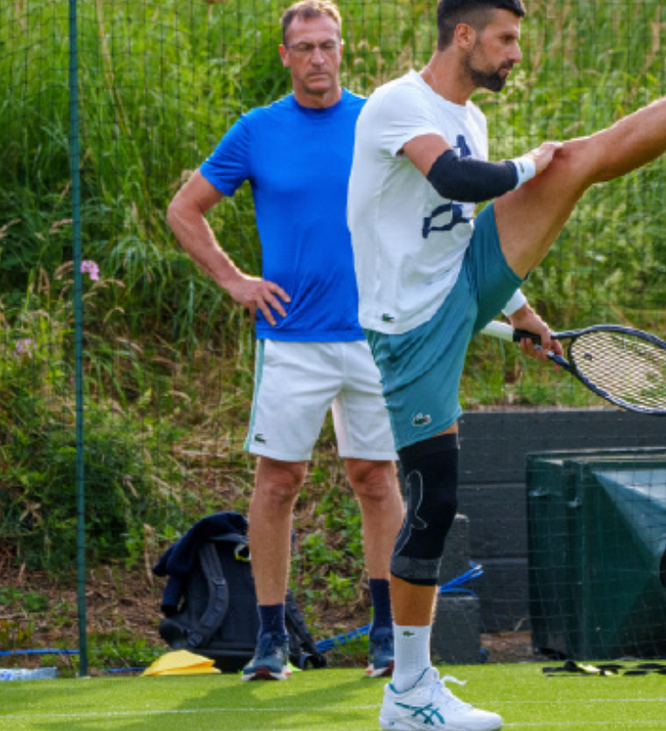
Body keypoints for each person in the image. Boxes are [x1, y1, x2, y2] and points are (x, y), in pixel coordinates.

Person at [347, 0, 666, 726]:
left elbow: (452, 237)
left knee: (576, 160)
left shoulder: (472, 117)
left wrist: (518, 310)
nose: (517, 52)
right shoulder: (398, 104)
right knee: (433, 501)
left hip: (462, 285)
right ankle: (408, 693)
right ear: (464, 35)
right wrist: (524, 166)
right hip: (411, 332)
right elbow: (457, 181)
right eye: (507, 38)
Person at [165, 0, 505, 683]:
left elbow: (444, 214)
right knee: (277, 482)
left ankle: (386, 638)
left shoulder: (380, 116)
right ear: (286, 56)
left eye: (328, 45)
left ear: (342, 50)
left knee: (377, 481)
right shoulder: (257, 131)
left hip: (379, 336)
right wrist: (235, 281)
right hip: (290, 338)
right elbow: (184, 209)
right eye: (305, 47)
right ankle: (268, 640)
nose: (318, 57)